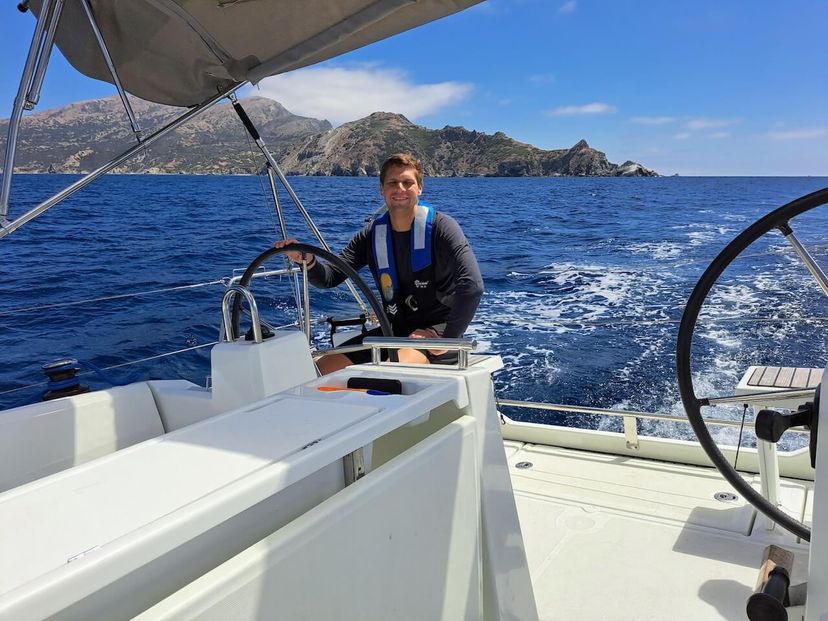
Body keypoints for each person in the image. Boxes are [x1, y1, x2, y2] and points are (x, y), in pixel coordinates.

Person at [276, 153, 483, 375]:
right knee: (319, 370)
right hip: (392, 331)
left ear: (420, 188)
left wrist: (447, 338)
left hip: (436, 334)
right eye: (392, 183)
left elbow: (472, 286)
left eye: (407, 182)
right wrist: (307, 260)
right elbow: (330, 278)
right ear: (382, 189)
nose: (400, 189)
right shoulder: (371, 236)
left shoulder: (443, 228)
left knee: (391, 373)